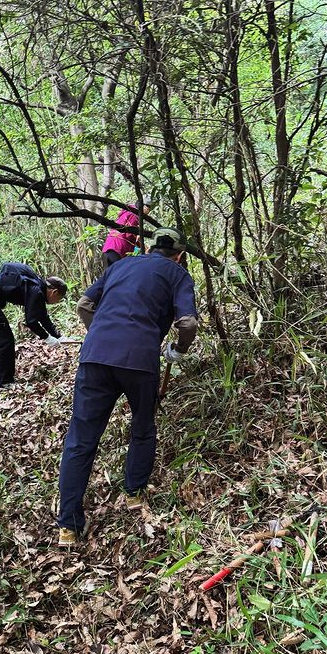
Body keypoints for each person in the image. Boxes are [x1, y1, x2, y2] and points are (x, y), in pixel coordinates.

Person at [57, 228, 198, 545]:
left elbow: (83, 304)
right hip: (139, 359)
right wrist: (179, 349)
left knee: (80, 439)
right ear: (180, 255)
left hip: (94, 357)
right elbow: (187, 323)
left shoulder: (120, 265)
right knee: (143, 427)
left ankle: (68, 526)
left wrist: (102, 336)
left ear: (149, 247)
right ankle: (134, 494)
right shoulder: (177, 274)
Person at [0, 262, 68, 388]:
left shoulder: (36, 287)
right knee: (4, 340)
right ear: (54, 292)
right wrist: (47, 338)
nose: (56, 302)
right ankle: (4, 382)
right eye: (59, 299)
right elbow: (31, 321)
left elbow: (43, 316)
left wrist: (58, 337)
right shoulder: (36, 290)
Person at [101, 199, 152, 268]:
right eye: (148, 209)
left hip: (110, 246)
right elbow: (130, 234)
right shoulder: (134, 215)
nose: (148, 212)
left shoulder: (128, 211)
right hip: (118, 248)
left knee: (111, 274)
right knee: (118, 273)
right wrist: (144, 247)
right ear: (144, 207)